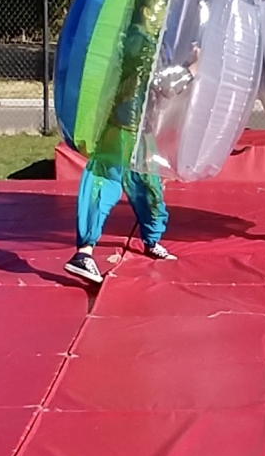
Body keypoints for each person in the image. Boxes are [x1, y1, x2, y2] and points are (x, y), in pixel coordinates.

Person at [63, 42, 194, 285]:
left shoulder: (133, 48)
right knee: (106, 183)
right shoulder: (139, 48)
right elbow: (162, 84)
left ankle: (149, 240)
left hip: (136, 134)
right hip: (122, 132)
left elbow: (158, 83)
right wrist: (192, 68)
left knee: (147, 185)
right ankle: (84, 252)